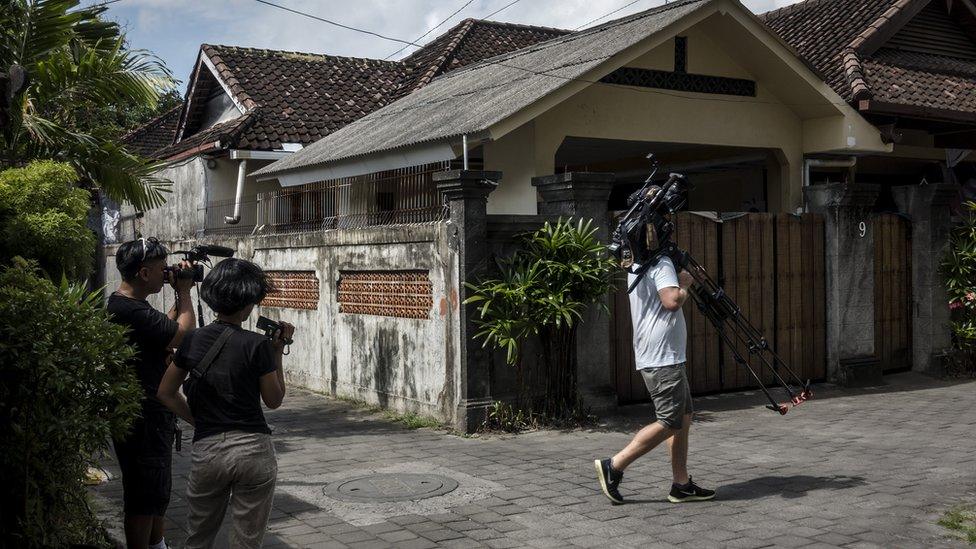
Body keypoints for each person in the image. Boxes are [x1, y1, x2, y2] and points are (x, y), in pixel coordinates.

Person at [157, 258, 293, 549]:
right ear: (249, 303)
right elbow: (274, 400)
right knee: (246, 542)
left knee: (199, 538)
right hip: (253, 451)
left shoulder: (191, 341)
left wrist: (199, 421)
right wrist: (277, 351)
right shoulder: (257, 345)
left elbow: (166, 392)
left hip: (209, 452)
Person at [594, 254, 715, 505]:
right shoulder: (661, 263)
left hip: (662, 355)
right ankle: (614, 466)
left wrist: (685, 279)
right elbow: (671, 300)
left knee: (683, 416)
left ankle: (681, 485)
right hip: (662, 358)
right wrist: (684, 284)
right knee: (670, 420)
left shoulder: (641, 263)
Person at [107, 237, 196, 549]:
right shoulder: (128, 310)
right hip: (142, 416)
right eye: (161, 269)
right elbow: (182, 336)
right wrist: (185, 291)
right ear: (144, 274)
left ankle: (158, 545)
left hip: (148, 413)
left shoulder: (127, 306)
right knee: (144, 495)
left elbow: (164, 327)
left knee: (155, 490)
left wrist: (177, 294)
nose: (166, 273)